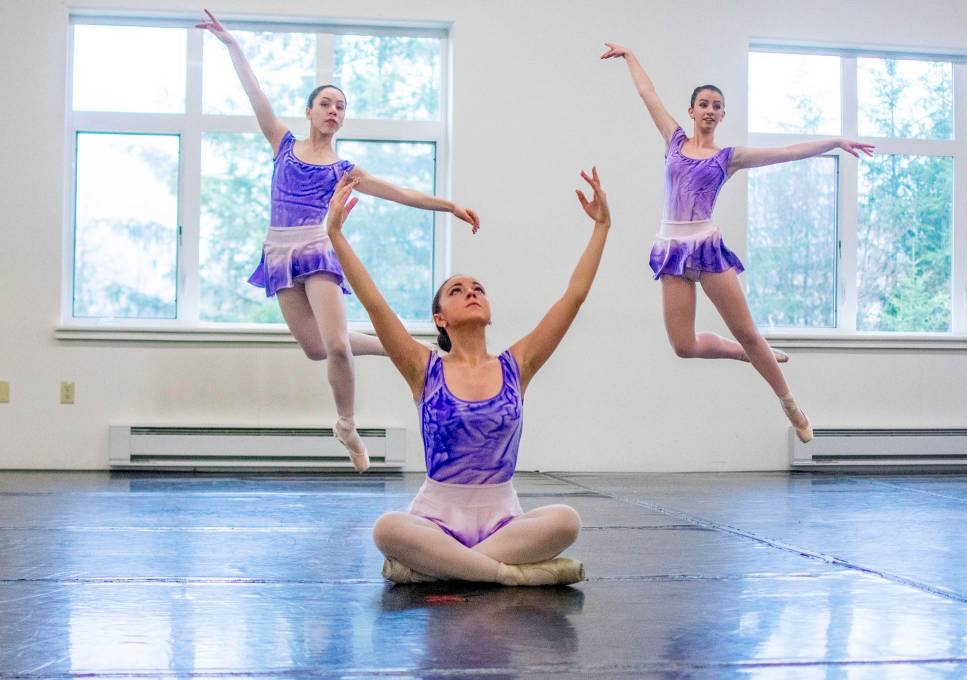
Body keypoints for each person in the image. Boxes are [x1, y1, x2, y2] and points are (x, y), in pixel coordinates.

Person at [197, 10, 480, 469]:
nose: (334, 110)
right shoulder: (282, 143)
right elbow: (256, 95)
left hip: (318, 249)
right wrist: (232, 46)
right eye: (326, 103)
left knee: (337, 346)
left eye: (341, 107)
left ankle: (347, 424)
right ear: (309, 111)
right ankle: (399, 343)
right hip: (279, 251)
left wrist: (448, 205)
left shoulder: (343, 171)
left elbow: (400, 192)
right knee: (316, 348)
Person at [323, 169, 612, 585]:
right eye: (457, 291)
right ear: (440, 318)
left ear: (489, 311)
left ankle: (438, 568)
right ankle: (509, 574)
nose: (472, 292)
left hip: (503, 519)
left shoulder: (519, 364)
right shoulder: (423, 368)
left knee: (566, 521)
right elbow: (375, 305)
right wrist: (335, 235)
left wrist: (602, 226)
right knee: (387, 528)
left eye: (478, 288)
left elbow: (574, 296)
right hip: (435, 516)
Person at [601, 43, 875, 442]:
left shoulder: (727, 157)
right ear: (692, 111)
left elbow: (785, 152)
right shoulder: (673, 140)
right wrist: (628, 55)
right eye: (703, 104)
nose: (710, 110)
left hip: (706, 246)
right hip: (672, 248)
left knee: (748, 330)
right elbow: (648, 94)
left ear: (722, 115)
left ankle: (791, 406)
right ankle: (743, 354)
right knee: (683, 345)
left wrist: (832, 142)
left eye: (717, 106)